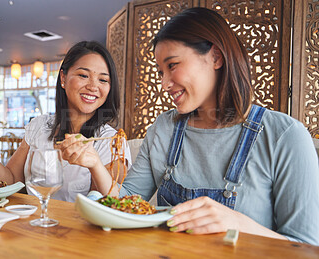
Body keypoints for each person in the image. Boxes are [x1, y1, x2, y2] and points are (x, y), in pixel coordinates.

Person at [59, 8, 319, 245]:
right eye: (161, 71)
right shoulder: (163, 128)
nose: (164, 84)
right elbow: (127, 202)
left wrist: (238, 223)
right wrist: (93, 162)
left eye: (172, 66)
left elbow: (307, 247)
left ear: (216, 57)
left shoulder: (285, 137)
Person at [0, 41, 132, 202]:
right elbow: (10, 182)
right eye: (83, 76)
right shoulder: (39, 126)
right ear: (63, 78)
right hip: (34, 225)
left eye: (103, 79)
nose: (93, 86)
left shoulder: (112, 141)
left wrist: (95, 165)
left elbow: (114, 201)